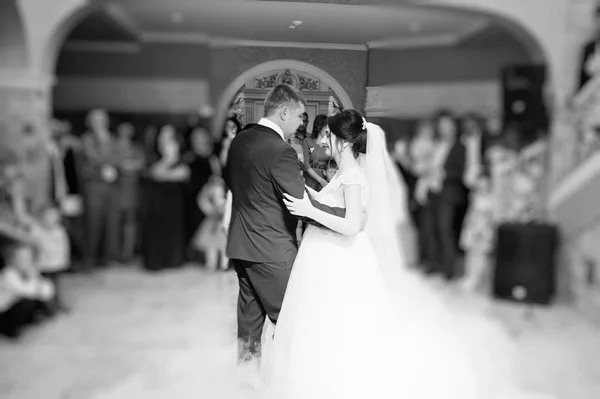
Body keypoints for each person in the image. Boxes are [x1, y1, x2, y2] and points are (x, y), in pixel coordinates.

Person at [258, 110, 544, 399]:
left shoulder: (353, 177)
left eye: (329, 136)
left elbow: (352, 224)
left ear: (343, 142)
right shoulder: (344, 174)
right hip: (329, 255)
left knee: (338, 326)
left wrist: (308, 211)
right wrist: (307, 193)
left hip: (340, 257)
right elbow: (335, 203)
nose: (324, 141)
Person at [224, 84, 346, 363]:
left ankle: (247, 380)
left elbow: (234, 184)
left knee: (250, 324)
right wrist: (343, 216)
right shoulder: (281, 151)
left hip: (242, 245)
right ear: (284, 111)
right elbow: (299, 203)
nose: (301, 122)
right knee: (293, 322)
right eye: (299, 116)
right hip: (272, 251)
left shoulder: (240, 140)